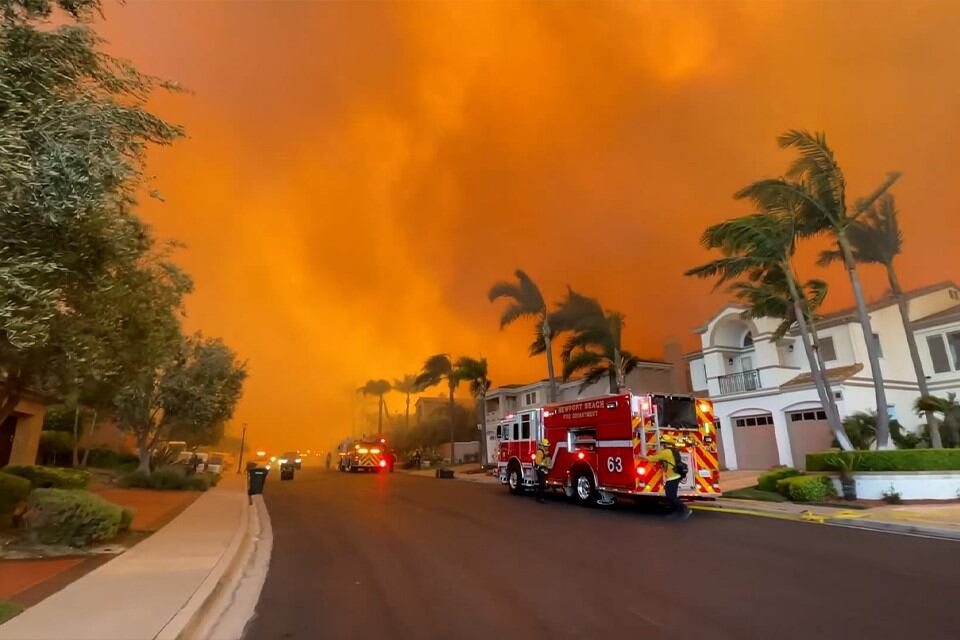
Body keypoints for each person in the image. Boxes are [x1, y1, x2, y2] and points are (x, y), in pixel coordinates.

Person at [645, 435, 690, 519]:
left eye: (662, 444)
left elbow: (654, 458)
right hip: (675, 476)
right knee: (671, 495)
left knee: (671, 495)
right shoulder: (674, 451)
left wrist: (643, 457)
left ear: (665, 444)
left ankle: (684, 509)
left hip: (673, 477)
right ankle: (677, 512)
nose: (661, 446)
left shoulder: (665, 452)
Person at [534, 437, 551, 503]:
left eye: (548, 446)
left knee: (543, 484)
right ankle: (540, 498)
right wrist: (545, 464)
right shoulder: (540, 452)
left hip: (543, 470)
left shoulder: (544, 452)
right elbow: (538, 462)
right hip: (540, 470)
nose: (547, 447)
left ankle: (540, 497)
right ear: (543, 446)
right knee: (542, 484)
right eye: (546, 446)